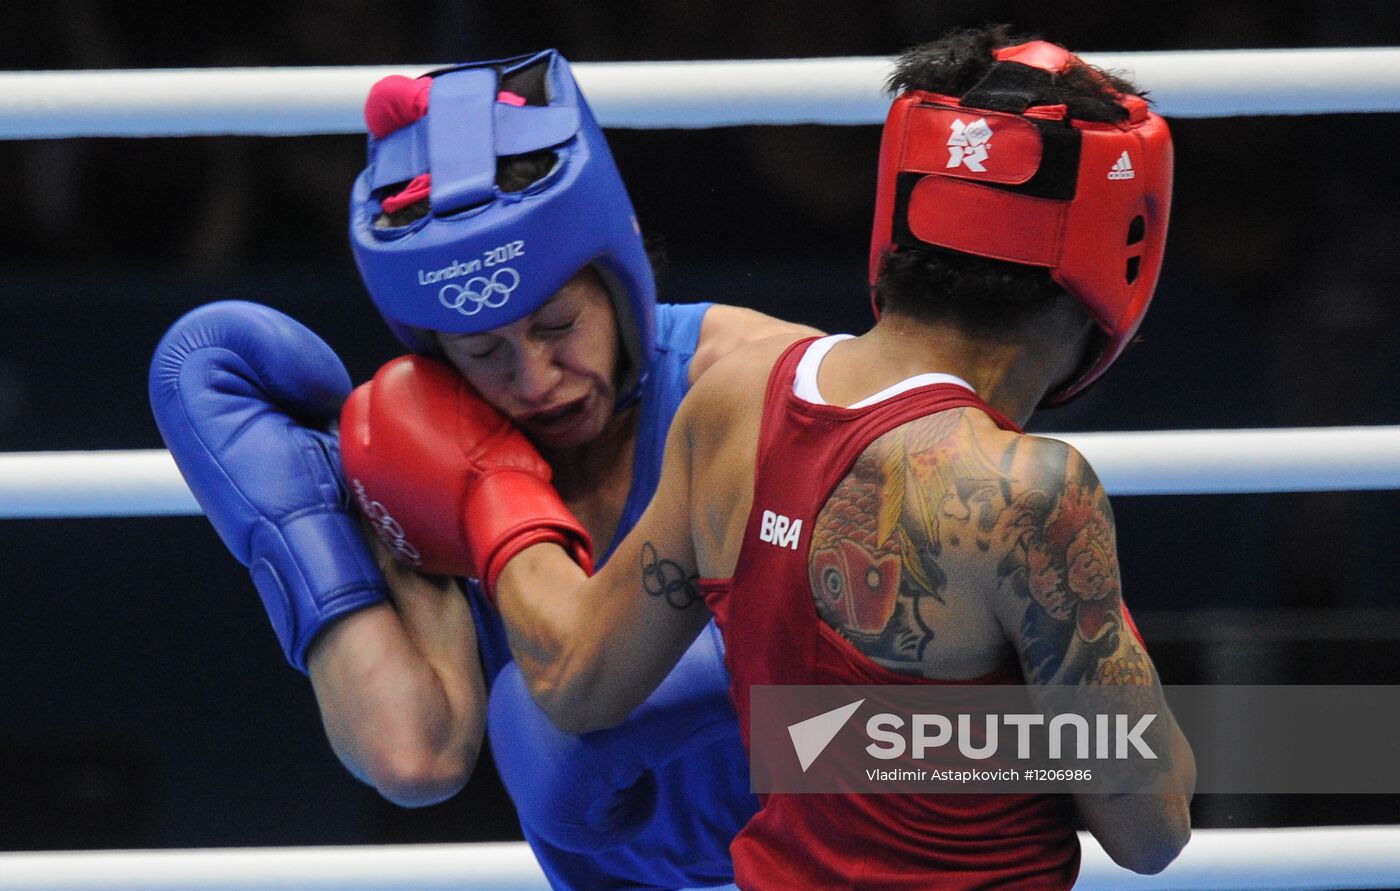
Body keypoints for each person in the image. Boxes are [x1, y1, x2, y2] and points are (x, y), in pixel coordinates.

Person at [340, 28, 1196, 888]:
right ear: (1115, 259)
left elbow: (574, 682)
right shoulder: (1032, 493)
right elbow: (1151, 828)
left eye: (555, 327)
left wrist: (494, 489)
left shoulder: (731, 400)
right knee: (1309, 737)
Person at [150, 50, 817, 890]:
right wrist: (307, 523)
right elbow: (414, 753)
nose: (533, 379)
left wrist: (658, 698)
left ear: (622, 271)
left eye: (558, 324)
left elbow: (962, 731)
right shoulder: (428, 455)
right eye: (484, 350)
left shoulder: (763, 388)